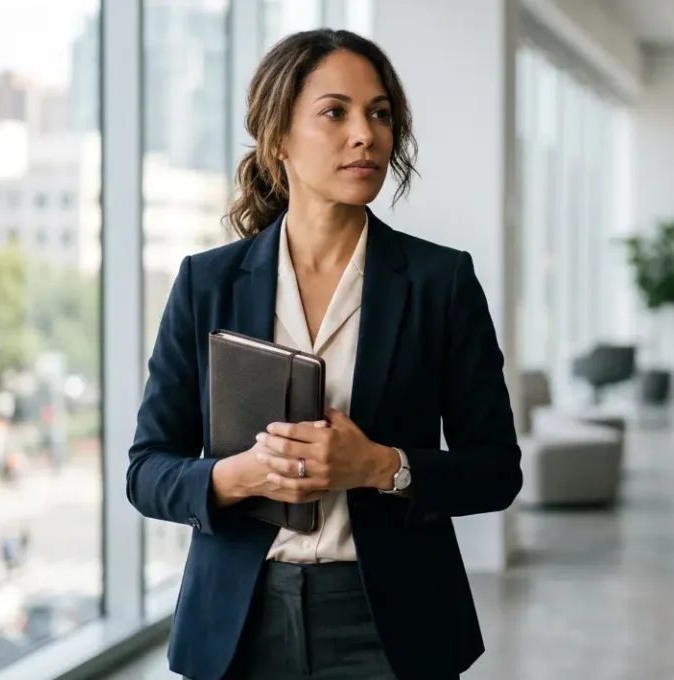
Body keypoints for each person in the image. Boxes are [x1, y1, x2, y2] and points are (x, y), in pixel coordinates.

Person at [126, 28, 522, 680]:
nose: (365, 133)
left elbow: (497, 469)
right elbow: (147, 470)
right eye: (335, 112)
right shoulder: (208, 283)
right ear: (278, 136)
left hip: (392, 623)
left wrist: (382, 466)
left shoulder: (439, 282)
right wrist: (241, 475)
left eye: (380, 114)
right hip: (238, 623)